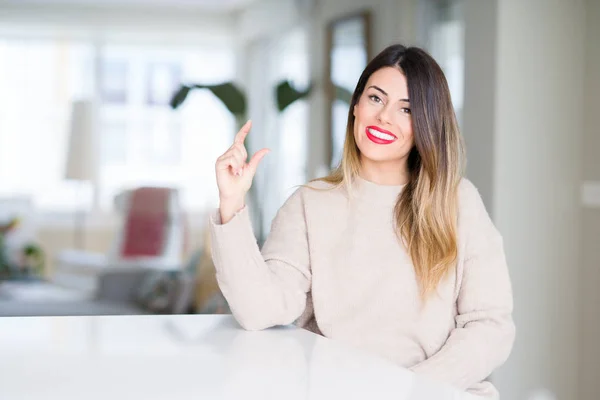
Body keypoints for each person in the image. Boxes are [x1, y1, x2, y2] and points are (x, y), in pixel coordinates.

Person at [209, 44, 515, 398]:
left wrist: (409, 389)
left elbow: (489, 327)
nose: (385, 116)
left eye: (407, 108)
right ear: (356, 106)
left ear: (427, 124)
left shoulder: (459, 202)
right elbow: (259, 310)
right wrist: (231, 201)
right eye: (376, 98)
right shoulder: (310, 203)